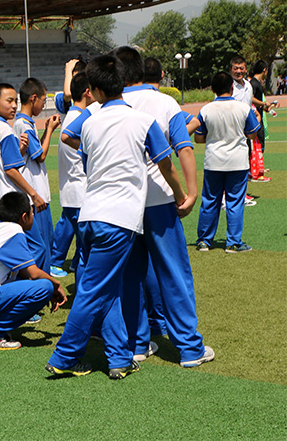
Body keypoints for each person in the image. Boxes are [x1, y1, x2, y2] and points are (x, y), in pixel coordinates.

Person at [48, 55, 188, 379]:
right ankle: (65, 356)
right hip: (118, 219)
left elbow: (83, 158)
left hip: (88, 216)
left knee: (106, 289)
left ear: (95, 90)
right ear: (123, 83)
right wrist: (180, 195)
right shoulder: (142, 122)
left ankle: (119, 358)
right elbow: (165, 163)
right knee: (93, 290)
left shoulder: (88, 122)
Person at [114, 47, 212, 368]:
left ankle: (137, 343)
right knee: (173, 272)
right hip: (158, 199)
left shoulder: (108, 105)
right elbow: (183, 148)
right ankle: (189, 348)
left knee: (130, 275)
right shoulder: (164, 102)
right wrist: (190, 191)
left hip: (123, 205)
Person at [0, 191, 67, 350]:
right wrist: (56, 285)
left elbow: (24, 273)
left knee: (36, 285)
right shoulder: (13, 232)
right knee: (45, 288)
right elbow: (34, 273)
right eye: (31, 213)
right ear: (24, 217)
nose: (33, 217)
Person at [195, 71, 260, 253]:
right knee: (235, 202)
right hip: (238, 161)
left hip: (213, 161)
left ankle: (204, 241)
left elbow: (199, 139)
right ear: (232, 88)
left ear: (213, 89)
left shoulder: (206, 110)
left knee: (210, 201)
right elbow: (252, 133)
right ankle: (233, 242)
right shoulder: (243, 108)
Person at [0, 83, 46, 224]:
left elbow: (0, 162)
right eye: (9, 101)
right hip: (12, 204)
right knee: (36, 245)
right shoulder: (4, 130)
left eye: (16, 101)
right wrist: (33, 194)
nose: (14, 105)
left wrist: (19, 151)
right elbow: (10, 170)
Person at [12, 78, 61, 275]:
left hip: (37, 192)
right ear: (33, 99)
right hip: (36, 194)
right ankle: (42, 284)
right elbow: (40, 156)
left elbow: (35, 151)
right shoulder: (23, 124)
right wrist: (50, 130)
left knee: (45, 242)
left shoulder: (25, 123)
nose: (43, 105)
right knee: (41, 246)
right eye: (43, 100)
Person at [50, 73, 93, 279]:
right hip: (79, 183)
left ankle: (67, 261)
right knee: (72, 226)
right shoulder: (81, 119)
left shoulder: (71, 116)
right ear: (87, 92)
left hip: (72, 182)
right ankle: (57, 261)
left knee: (69, 224)